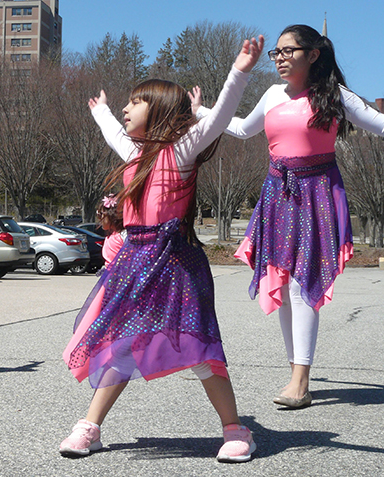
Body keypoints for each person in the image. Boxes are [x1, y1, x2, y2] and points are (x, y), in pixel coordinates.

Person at [58, 36, 264, 463]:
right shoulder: (133, 152)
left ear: (161, 111)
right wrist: (101, 113)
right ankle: (90, 426)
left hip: (175, 263)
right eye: (126, 104)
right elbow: (115, 132)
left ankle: (235, 428)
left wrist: (240, 71)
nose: (126, 108)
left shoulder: (182, 150)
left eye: (136, 101)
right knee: (120, 344)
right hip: (134, 262)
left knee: (200, 347)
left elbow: (223, 113)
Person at [192, 25, 384, 409]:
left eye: (288, 51)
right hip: (277, 196)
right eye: (275, 52)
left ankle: (300, 379)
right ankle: (296, 369)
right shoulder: (271, 94)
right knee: (278, 289)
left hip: (317, 195)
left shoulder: (334, 95)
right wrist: (201, 110)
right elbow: (242, 129)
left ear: (313, 55)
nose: (279, 57)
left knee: (301, 285)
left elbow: (380, 125)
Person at [96, 194, 126, 268]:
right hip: (110, 275)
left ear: (112, 216)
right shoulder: (109, 237)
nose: (100, 219)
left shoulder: (124, 235)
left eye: (101, 215)